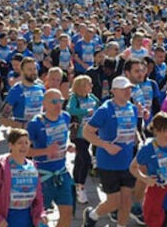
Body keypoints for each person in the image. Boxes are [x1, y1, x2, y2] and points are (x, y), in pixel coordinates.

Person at [83, 75, 140, 227]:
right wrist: (106, 145)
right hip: (108, 163)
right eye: (123, 89)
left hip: (128, 162)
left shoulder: (133, 108)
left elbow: (133, 130)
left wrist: (139, 141)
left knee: (127, 201)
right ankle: (92, 215)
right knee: (114, 202)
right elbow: (87, 132)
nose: (128, 92)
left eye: (129, 89)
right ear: (114, 91)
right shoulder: (105, 110)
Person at [130, 112, 167, 227]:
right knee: (154, 223)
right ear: (156, 131)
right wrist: (145, 179)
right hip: (156, 193)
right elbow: (133, 167)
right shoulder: (148, 148)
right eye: (165, 131)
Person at [27, 89, 74, 227]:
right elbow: (25, 151)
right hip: (42, 176)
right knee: (39, 216)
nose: (58, 104)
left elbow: (65, 139)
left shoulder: (65, 117)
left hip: (62, 172)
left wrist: (69, 146)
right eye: (54, 101)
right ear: (44, 104)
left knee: (67, 212)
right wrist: (46, 151)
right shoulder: (35, 123)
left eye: (60, 101)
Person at [0, 128, 46, 227]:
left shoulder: (33, 166)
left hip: (27, 220)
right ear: (11, 145)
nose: (24, 146)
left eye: (26, 142)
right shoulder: (1, 168)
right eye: (20, 143)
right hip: (7, 220)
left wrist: (41, 214)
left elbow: (38, 198)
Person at [66, 75, 99, 205]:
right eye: (88, 84)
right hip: (78, 135)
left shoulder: (92, 97)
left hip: (89, 134)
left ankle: (75, 184)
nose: (91, 86)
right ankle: (81, 187)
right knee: (85, 159)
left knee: (80, 160)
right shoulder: (75, 98)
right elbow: (70, 109)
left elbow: (100, 107)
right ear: (81, 86)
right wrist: (86, 111)